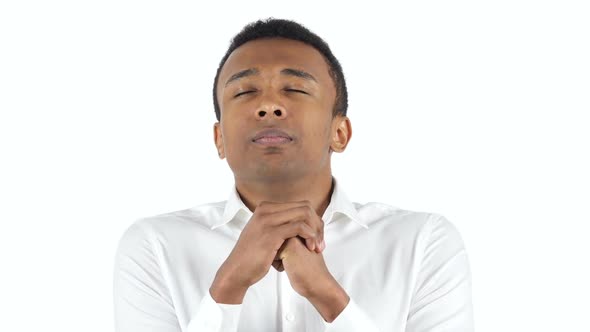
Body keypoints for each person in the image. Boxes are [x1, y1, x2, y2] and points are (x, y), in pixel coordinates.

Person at [113, 18, 474, 332]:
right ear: (219, 139)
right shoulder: (154, 247)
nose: (269, 106)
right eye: (245, 91)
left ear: (340, 133)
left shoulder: (422, 243)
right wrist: (228, 286)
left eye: (295, 89)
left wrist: (327, 295)